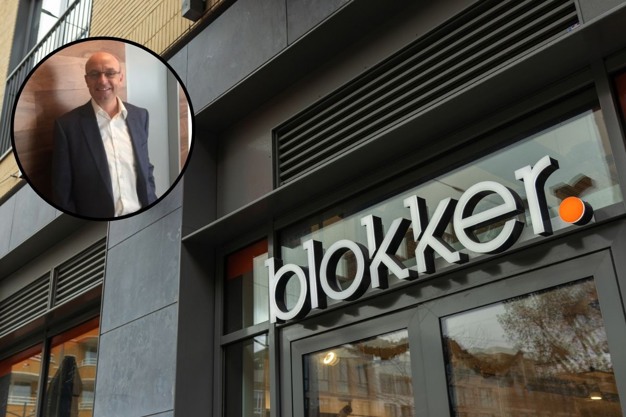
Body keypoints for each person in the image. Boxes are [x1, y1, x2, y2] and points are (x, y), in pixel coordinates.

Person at [52, 51, 157, 218]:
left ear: (120, 78)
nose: (102, 80)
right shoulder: (67, 126)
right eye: (94, 74)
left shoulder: (140, 116)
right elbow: (62, 190)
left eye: (110, 73)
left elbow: (146, 166)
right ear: (87, 80)